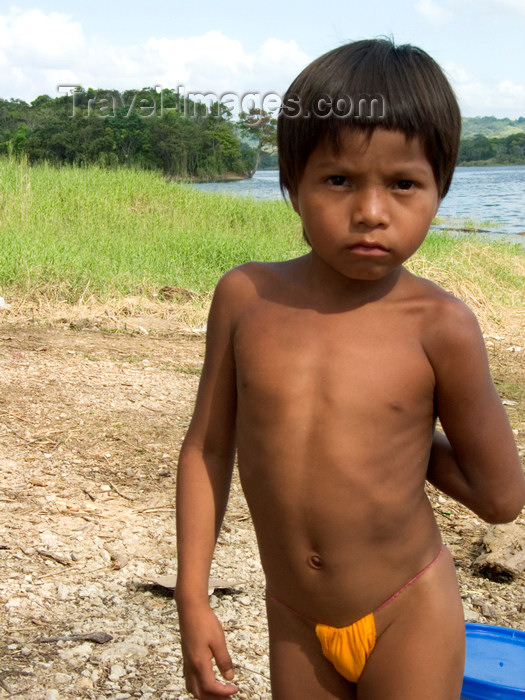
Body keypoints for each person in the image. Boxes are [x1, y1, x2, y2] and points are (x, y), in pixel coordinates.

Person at [175, 39, 525, 700]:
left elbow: (500, 496)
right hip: (294, 617)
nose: (369, 211)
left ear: (437, 190)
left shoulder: (438, 325)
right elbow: (208, 446)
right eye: (338, 180)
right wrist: (190, 597)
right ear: (291, 183)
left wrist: (402, 441)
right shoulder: (247, 298)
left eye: (402, 184)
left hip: (407, 610)